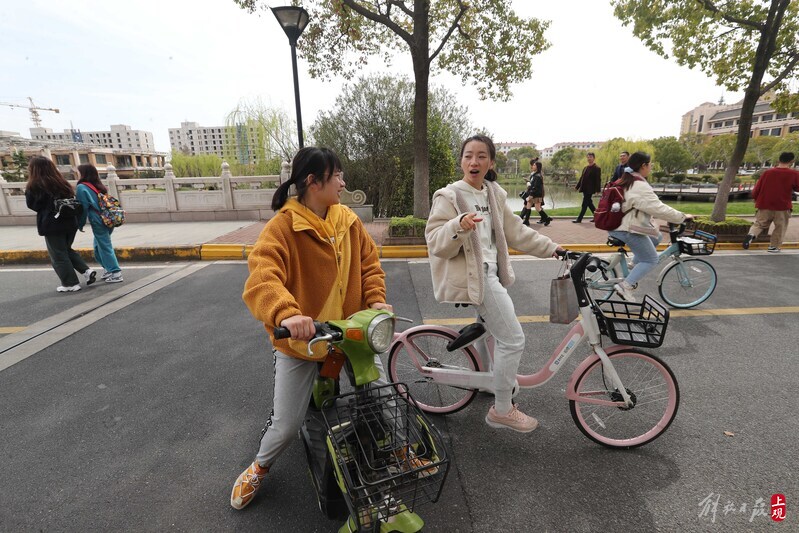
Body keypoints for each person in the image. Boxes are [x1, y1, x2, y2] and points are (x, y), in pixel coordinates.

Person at [230, 147, 424, 510]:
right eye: (337, 175)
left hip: (351, 335)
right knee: (287, 424)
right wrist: (287, 314)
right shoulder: (283, 228)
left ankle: (402, 450)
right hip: (303, 342)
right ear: (312, 182)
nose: (343, 182)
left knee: (382, 396)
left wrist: (377, 300)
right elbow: (262, 277)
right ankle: (260, 465)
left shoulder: (347, 220)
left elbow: (370, 266)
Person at [426, 134, 565, 434]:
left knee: (488, 331)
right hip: (476, 276)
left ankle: (491, 381)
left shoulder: (493, 193)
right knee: (513, 339)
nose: (473, 162)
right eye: (468, 156)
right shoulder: (449, 196)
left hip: (491, 272)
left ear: (491, 162)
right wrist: (457, 225)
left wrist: (552, 248)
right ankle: (502, 409)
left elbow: (516, 232)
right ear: (461, 160)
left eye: (481, 156)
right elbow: (436, 242)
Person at [607, 152, 693, 302]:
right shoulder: (639, 185)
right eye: (650, 164)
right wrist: (681, 217)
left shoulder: (628, 179)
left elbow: (648, 206)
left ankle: (634, 263)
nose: (651, 166)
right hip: (625, 229)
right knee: (651, 259)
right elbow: (657, 208)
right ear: (643, 166)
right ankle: (625, 286)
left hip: (618, 224)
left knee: (657, 236)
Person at [24, 156, 96, 292]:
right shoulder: (62, 182)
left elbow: (32, 205)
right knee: (66, 249)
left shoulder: (35, 185)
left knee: (58, 254)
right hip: (70, 222)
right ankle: (86, 271)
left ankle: (70, 283)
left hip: (52, 224)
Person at [742, 152, 799, 253]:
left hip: (764, 203)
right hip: (782, 205)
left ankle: (752, 234)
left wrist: (755, 198)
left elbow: (757, 188)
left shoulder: (767, 173)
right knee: (780, 226)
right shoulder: (794, 174)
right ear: (791, 161)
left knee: (759, 224)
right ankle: (774, 246)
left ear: (779, 160)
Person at [76, 164, 123, 283]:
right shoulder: (98, 186)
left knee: (105, 247)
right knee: (98, 248)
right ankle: (108, 269)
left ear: (83, 174)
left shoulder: (82, 187)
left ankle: (116, 273)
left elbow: (83, 208)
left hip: (98, 220)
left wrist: (80, 224)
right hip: (108, 218)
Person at [572, 152, 602, 223]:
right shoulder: (585, 168)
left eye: (590, 157)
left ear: (594, 158)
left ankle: (579, 219)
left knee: (584, 204)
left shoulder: (597, 168)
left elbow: (598, 179)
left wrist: (598, 189)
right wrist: (577, 187)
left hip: (590, 189)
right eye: (588, 157)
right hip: (584, 188)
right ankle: (598, 217)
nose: (589, 158)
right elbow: (581, 178)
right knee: (589, 203)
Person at [520, 160, 552, 226]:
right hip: (534, 194)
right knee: (528, 206)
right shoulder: (534, 175)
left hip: (536, 195)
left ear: (537, 167)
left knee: (537, 208)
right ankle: (526, 221)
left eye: (534, 165)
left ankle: (547, 218)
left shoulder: (537, 176)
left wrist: (530, 195)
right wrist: (528, 183)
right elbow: (533, 185)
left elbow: (535, 187)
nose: (533, 166)